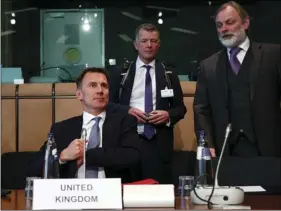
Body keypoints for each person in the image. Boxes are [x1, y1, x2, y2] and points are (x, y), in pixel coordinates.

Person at [194, 1, 281, 157]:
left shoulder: (273, 55)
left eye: (229, 22)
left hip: (269, 149)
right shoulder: (208, 65)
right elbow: (201, 109)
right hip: (225, 151)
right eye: (219, 25)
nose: (224, 29)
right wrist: (206, 143)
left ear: (245, 23)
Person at [27, 67, 141, 183]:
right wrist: (62, 156)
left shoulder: (125, 122)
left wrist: (85, 155)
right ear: (79, 94)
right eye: (92, 85)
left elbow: (132, 156)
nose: (100, 90)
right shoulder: (62, 129)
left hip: (112, 194)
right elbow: (33, 168)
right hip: (72, 195)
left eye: (104, 85)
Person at [108, 23, 187, 184]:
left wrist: (168, 115)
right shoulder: (120, 73)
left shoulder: (169, 73)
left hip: (158, 142)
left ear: (158, 45)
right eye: (144, 41)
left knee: (157, 193)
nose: (149, 45)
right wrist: (127, 111)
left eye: (153, 41)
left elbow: (180, 108)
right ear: (136, 45)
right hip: (127, 138)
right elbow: (108, 105)